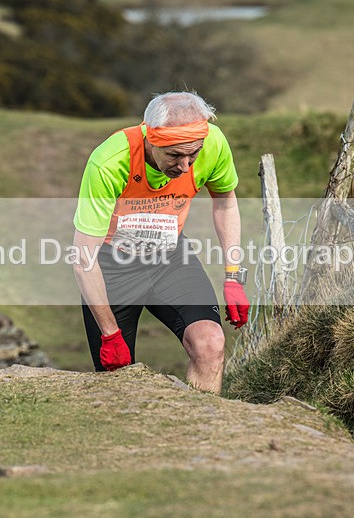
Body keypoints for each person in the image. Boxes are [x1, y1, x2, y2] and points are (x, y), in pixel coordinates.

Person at [72, 91, 249, 394]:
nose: (185, 167)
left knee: (210, 343)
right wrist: (110, 333)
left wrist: (233, 277)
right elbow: (83, 259)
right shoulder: (110, 161)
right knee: (116, 379)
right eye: (174, 156)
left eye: (193, 155)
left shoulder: (213, 143)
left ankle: (201, 422)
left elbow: (225, 203)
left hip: (171, 258)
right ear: (151, 140)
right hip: (112, 266)